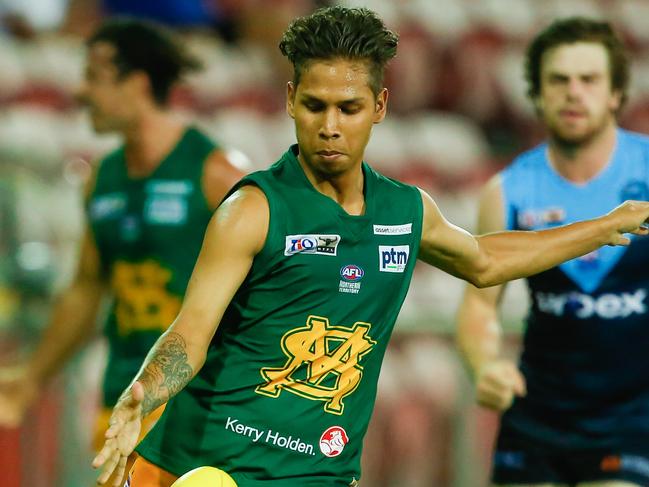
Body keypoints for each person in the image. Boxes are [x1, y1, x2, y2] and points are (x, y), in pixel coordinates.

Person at [92, 8, 649, 487]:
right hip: (200, 466)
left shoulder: (405, 211)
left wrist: (605, 226)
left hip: (317, 472)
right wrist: (146, 388)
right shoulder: (255, 209)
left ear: (379, 106)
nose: (330, 126)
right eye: (315, 106)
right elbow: (191, 331)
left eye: (349, 108)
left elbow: (484, 260)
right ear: (290, 101)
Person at [0, 18, 244, 487]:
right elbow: (87, 288)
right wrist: (32, 377)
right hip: (120, 402)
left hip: (197, 407)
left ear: (136, 84)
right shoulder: (102, 180)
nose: (80, 90)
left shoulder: (216, 172)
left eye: (94, 76)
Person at [456, 17, 649, 487]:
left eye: (589, 79)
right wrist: (486, 366)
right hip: (536, 417)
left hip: (632, 419)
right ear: (537, 94)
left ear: (616, 94)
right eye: (558, 80)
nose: (573, 92)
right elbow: (481, 305)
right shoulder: (508, 192)